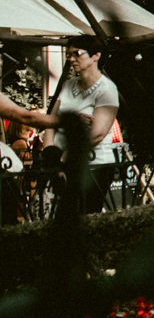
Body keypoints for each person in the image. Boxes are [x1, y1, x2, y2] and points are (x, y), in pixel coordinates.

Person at [43, 38, 121, 215]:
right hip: (61, 164)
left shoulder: (107, 89)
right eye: (68, 54)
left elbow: (97, 134)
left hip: (93, 166)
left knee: (85, 217)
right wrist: (49, 151)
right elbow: (50, 120)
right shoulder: (68, 85)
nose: (71, 59)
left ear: (96, 55)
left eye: (77, 53)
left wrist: (64, 158)